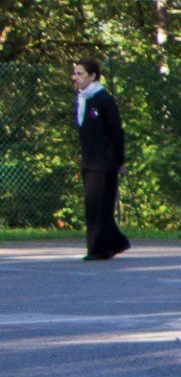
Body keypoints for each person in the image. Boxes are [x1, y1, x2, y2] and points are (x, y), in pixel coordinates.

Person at [72, 58, 131, 261]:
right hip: (89, 160)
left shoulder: (104, 99)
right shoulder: (81, 99)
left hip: (104, 162)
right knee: (93, 205)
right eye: (75, 73)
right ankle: (113, 243)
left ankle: (98, 248)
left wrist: (120, 160)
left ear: (92, 76)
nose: (75, 78)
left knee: (100, 206)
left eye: (80, 74)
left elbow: (116, 131)